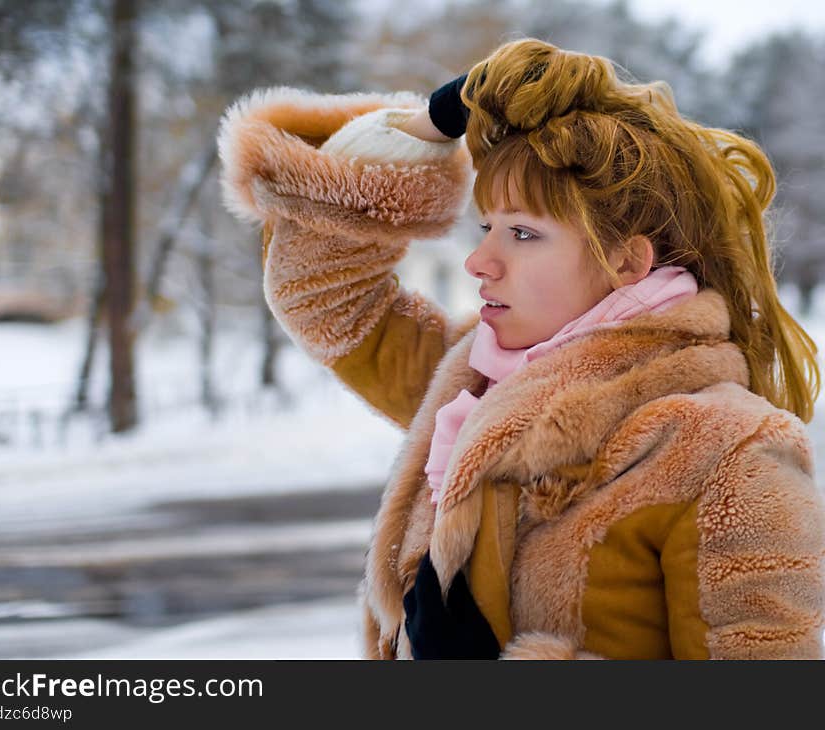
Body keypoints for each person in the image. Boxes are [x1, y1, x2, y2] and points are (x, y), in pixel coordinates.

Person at [218, 38, 825, 659]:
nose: (480, 261)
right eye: (488, 228)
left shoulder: (728, 452)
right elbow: (322, 293)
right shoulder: (473, 382)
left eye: (523, 233)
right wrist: (419, 128)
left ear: (627, 261)